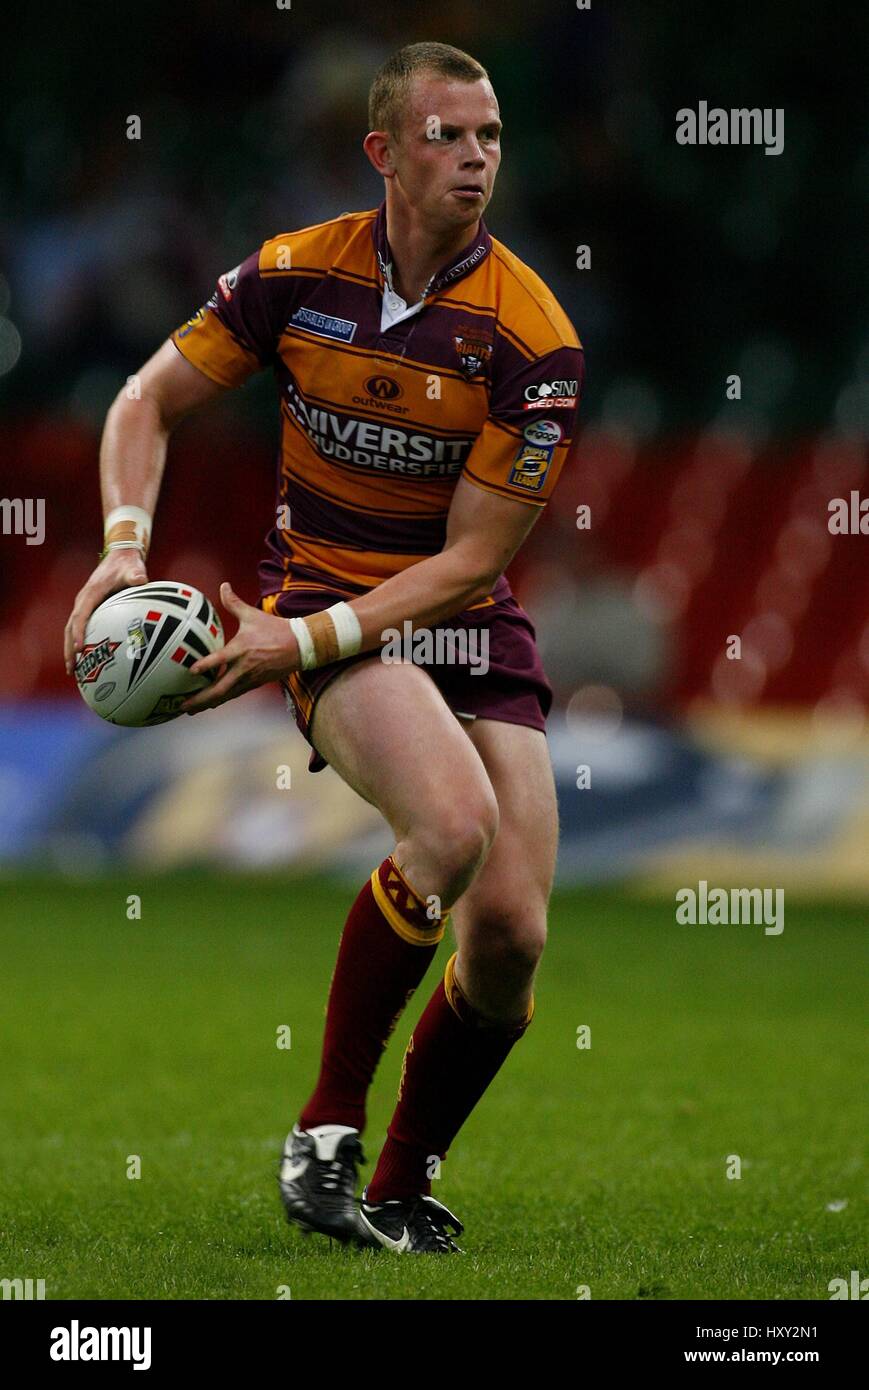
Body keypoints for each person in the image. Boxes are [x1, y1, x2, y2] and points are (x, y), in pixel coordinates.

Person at [63, 41, 585, 1254]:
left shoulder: (530, 335)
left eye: (491, 136)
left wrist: (298, 640)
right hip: (325, 605)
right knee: (450, 827)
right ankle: (325, 1135)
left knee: (510, 934)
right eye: (447, 135)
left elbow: (467, 562)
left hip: (455, 622)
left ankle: (401, 1182)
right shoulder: (296, 275)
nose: (474, 158)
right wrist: (123, 547)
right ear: (384, 152)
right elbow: (143, 400)